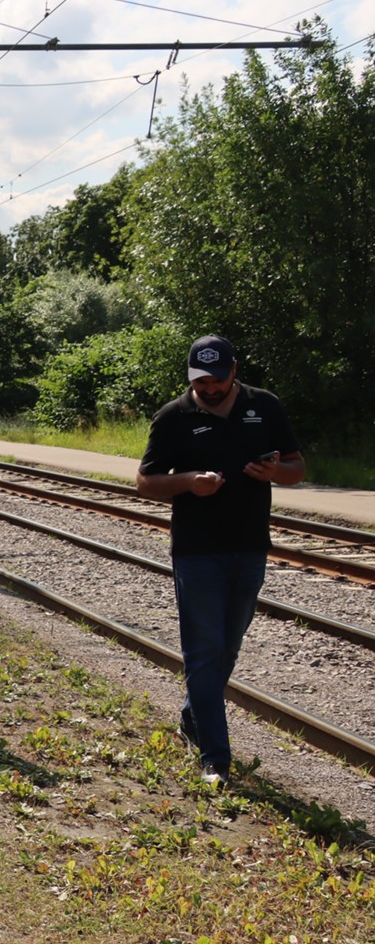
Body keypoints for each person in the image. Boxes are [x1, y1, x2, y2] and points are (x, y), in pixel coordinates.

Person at [136, 334, 305, 784]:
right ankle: (216, 758)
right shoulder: (173, 417)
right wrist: (189, 481)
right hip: (197, 550)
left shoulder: (264, 405)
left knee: (227, 646)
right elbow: (146, 482)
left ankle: (194, 717)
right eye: (200, 381)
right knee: (204, 650)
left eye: (217, 378)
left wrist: (275, 473)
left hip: (251, 546)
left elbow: (297, 467)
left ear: (235, 369)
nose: (209, 388)